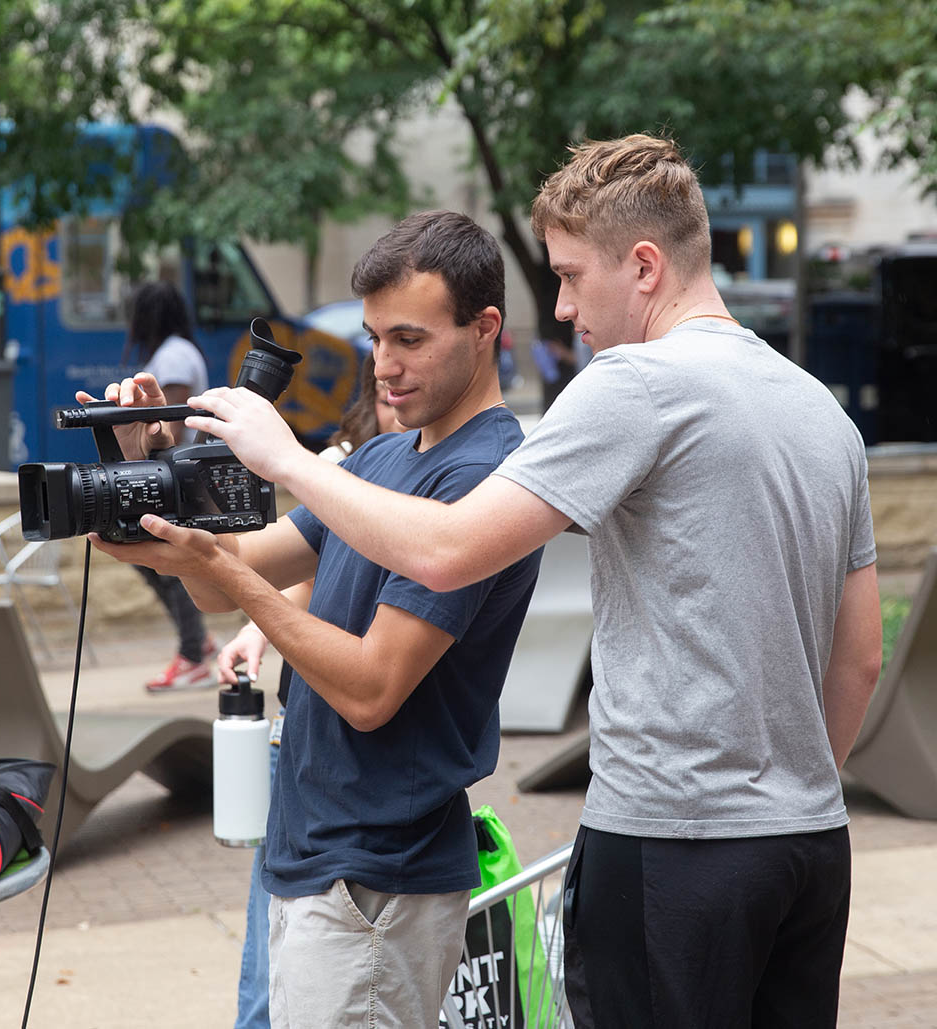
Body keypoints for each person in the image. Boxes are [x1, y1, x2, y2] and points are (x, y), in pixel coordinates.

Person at [179, 136, 882, 1028]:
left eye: (570, 275)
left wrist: (287, 458)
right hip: (809, 847)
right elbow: (859, 658)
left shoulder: (634, 383)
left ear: (644, 265)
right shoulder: (822, 410)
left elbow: (444, 551)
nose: (560, 307)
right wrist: (788, 797)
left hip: (671, 846)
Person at [84, 210, 543, 1027]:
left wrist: (284, 463)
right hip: (313, 857)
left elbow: (371, 689)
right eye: (374, 339)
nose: (384, 367)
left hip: (377, 879)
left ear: (486, 329)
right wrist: (140, 464)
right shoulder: (385, 454)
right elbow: (221, 581)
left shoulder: (483, 476)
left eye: (409, 338)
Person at [223, 353, 406, 1029]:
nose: (396, 391)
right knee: (267, 974)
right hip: (297, 736)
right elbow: (293, 573)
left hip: (369, 788)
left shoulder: (436, 483)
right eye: (382, 385)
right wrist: (254, 626)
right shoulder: (345, 467)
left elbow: (373, 689)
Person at [123, 279, 218, 690]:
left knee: (169, 562)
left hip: (175, 477)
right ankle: (198, 641)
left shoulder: (175, 355)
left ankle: (193, 655)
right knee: (152, 560)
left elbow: (171, 426)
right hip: (173, 474)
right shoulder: (176, 350)